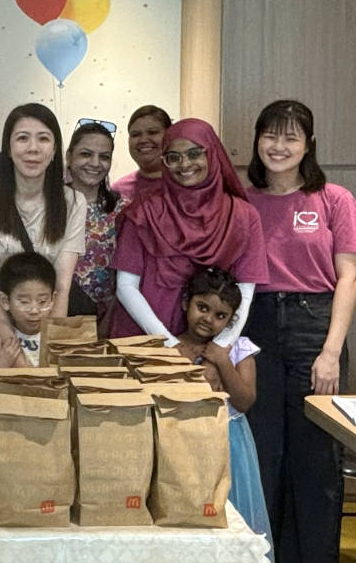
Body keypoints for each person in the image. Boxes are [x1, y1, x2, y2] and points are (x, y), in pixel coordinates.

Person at [243, 100, 356, 563]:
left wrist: (331, 353)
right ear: (257, 140)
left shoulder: (335, 198)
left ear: (309, 144)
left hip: (316, 328)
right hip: (256, 327)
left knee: (316, 462)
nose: (279, 145)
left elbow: (348, 277)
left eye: (291, 136)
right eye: (271, 134)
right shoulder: (241, 200)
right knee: (262, 455)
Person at [0, 103, 85, 406]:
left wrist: (48, 351)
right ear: (8, 147)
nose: (33, 148)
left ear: (55, 149)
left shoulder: (73, 202)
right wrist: (9, 345)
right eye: (22, 138)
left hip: (44, 328)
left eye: (43, 139)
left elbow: (62, 285)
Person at [110, 118, 268, 343]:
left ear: (212, 154)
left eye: (194, 154)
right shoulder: (143, 213)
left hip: (207, 342)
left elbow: (244, 291)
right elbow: (126, 286)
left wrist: (221, 345)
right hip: (143, 339)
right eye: (173, 157)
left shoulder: (242, 216)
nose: (184, 164)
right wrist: (171, 343)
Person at [174, 267, 272, 556]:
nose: (208, 319)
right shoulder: (170, 347)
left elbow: (245, 401)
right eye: (202, 307)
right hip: (185, 443)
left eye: (220, 316)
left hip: (231, 445)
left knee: (232, 521)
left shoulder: (240, 349)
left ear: (231, 320)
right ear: (185, 303)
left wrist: (221, 361)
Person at [65, 120, 125, 329]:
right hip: (55, 316)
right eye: (86, 154)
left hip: (108, 318)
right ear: (69, 157)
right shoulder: (49, 205)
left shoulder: (122, 209)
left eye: (104, 157)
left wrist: (109, 320)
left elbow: (128, 273)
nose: (95, 163)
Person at [0, 252, 56, 396]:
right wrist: (2, 367)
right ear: (5, 301)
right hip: (4, 417)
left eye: (42, 302)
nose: (34, 310)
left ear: (53, 299)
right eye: (24, 302)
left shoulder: (59, 338)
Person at [111, 105, 172, 201]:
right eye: (135, 135)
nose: (143, 140)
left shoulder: (188, 184)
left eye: (152, 132)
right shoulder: (119, 191)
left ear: (170, 136)